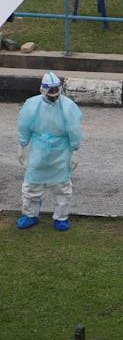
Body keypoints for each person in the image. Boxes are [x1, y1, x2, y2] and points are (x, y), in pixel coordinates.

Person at [16, 72, 83, 231]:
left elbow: (74, 130)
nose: (53, 95)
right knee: (32, 183)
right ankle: (30, 215)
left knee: (62, 186)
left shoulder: (67, 106)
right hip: (39, 150)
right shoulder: (32, 105)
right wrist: (21, 146)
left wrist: (75, 150)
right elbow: (24, 125)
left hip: (61, 151)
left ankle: (61, 217)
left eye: (55, 91)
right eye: (50, 91)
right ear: (43, 90)